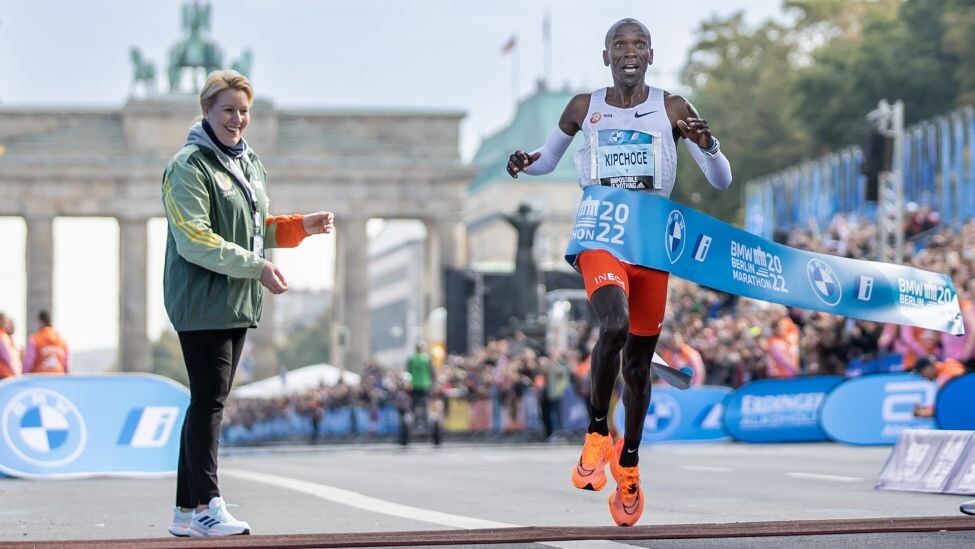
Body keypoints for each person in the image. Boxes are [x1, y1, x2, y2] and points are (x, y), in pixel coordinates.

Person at [506, 18, 731, 526]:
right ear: (606, 56)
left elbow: (721, 180)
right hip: (600, 233)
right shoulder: (583, 107)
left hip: (650, 244)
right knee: (613, 324)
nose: (630, 52)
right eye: (620, 45)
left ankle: (628, 463)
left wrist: (709, 145)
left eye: (639, 45)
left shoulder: (673, 107)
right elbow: (547, 159)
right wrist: (525, 161)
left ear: (650, 55)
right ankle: (596, 433)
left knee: (638, 367)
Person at [162, 69, 334, 537]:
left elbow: (255, 229)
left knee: (206, 401)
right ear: (206, 111)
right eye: (227, 110)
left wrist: (300, 227)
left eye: (243, 111)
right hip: (201, 298)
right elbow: (194, 238)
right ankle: (207, 505)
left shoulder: (248, 162)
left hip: (236, 298)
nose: (236, 119)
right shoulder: (188, 165)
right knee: (210, 402)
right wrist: (257, 267)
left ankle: (186, 510)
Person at [23, 310, 69, 375]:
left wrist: (24, 375)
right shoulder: (62, 341)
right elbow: (67, 365)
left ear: (40, 322)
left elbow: (28, 363)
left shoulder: (35, 339)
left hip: (40, 377)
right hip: (59, 377)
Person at [406, 341, 435, 432]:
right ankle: (426, 425)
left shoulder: (412, 359)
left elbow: (408, 373)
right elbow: (432, 373)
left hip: (414, 385)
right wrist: (433, 384)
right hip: (425, 385)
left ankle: (415, 425)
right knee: (425, 405)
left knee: (414, 405)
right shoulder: (427, 358)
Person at [0, 312, 22, 379]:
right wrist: (16, 372)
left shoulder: (6, 337)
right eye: (7, 322)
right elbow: (7, 358)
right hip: (5, 374)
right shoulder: (2, 336)